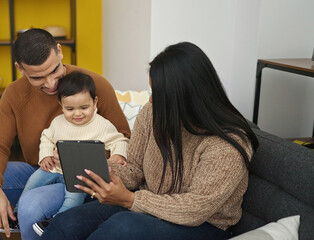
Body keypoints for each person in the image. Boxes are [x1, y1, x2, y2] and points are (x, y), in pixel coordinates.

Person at [40, 42, 259, 240]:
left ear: (185, 96)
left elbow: (195, 209)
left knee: (121, 228)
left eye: (158, 94)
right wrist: (93, 165)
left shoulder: (227, 144)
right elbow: (134, 169)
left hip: (204, 226)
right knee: (67, 222)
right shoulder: (154, 111)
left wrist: (129, 200)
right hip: (149, 204)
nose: (151, 100)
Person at [0, 28, 130, 240]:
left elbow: (123, 139)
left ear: (59, 52)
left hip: (82, 179)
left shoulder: (94, 86)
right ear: (20, 69)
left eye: (54, 70)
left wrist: (80, 156)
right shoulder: (14, 94)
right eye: (38, 77)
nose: (51, 84)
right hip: (42, 169)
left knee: (31, 205)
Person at [0, 71, 129, 235]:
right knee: (32, 181)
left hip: (80, 175)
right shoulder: (58, 122)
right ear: (61, 104)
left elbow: (120, 140)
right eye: (70, 109)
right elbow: (47, 137)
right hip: (55, 168)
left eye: (84, 108)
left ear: (94, 103)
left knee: (74, 197)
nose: (77, 114)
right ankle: (17, 217)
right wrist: (45, 155)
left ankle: (57, 220)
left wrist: (118, 156)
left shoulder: (102, 125)